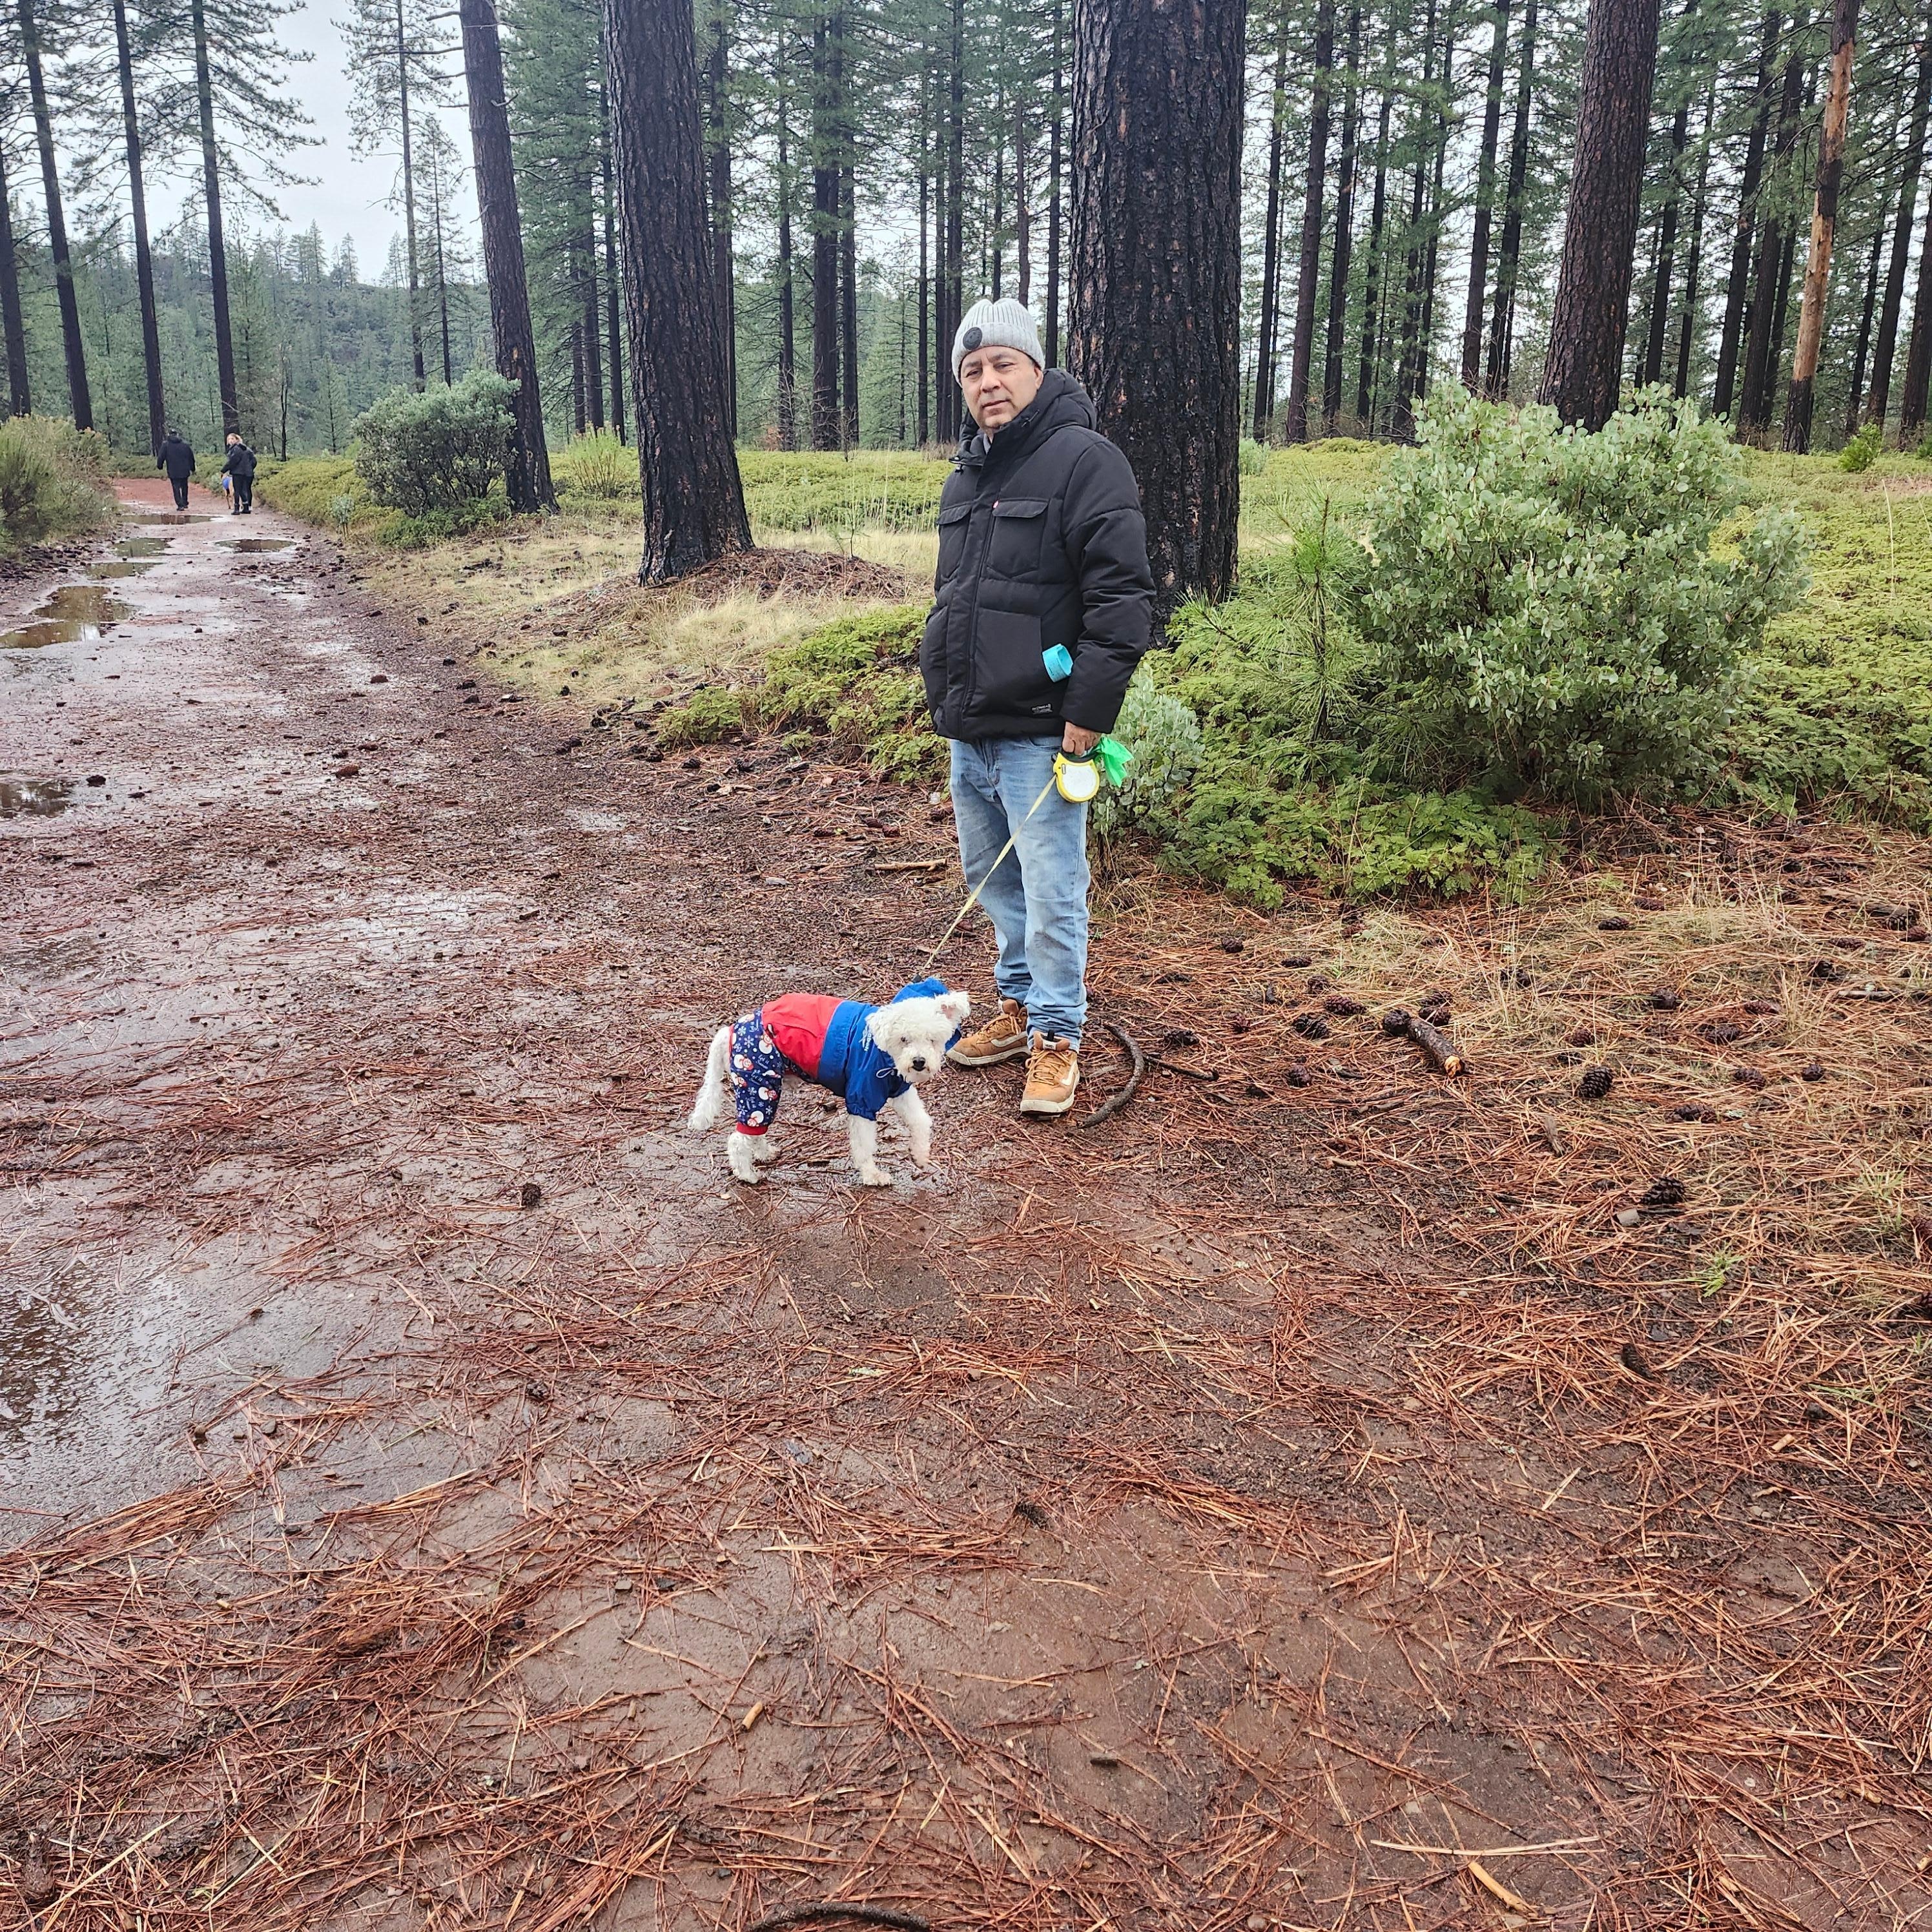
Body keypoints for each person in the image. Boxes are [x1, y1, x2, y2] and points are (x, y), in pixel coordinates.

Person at [925, 298, 1153, 1117]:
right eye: (972, 371)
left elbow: (1122, 601)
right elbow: (959, 597)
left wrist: (1088, 712)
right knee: (991, 879)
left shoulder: (1086, 461)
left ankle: (1058, 1033)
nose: (988, 382)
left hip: (1045, 730)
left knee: (1054, 888)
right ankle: (1019, 1006)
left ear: (1035, 369)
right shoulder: (966, 474)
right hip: (972, 728)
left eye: (1002, 365)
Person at [156, 429, 195, 511]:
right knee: (184, 486)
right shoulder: (185, 445)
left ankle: (180, 505)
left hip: (173, 470)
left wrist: (160, 466)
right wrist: (193, 468)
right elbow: (191, 458)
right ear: (177, 435)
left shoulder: (166, 445)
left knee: (176, 487)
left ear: (169, 435)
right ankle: (185, 502)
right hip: (185, 470)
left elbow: (161, 457)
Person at [221, 433, 257, 514]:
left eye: (232, 439)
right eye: (229, 439)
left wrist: (224, 470)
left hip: (237, 473)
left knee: (237, 490)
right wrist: (250, 468)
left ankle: (236, 509)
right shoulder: (247, 449)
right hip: (247, 473)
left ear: (237, 440)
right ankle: (246, 507)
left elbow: (233, 461)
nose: (230, 441)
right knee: (243, 490)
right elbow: (254, 461)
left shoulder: (236, 449)